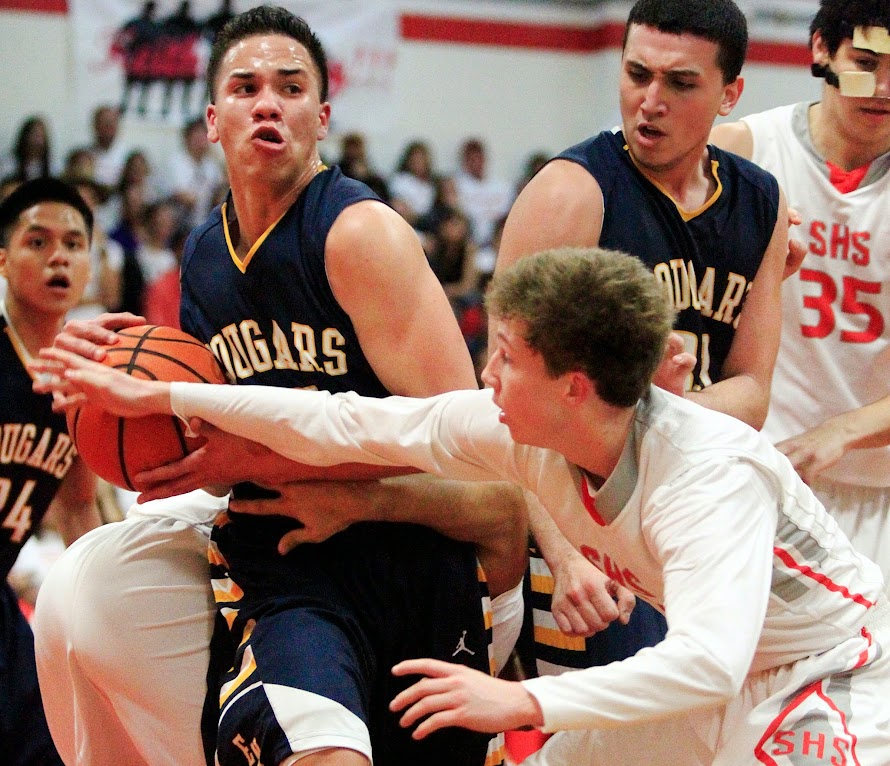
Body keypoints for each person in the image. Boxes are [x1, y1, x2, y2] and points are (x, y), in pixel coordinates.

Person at [37, 245, 890, 766]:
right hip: (724, 678)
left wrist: (521, 702)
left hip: (833, 670)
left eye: (506, 356)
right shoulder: (524, 429)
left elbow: (706, 660)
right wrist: (160, 403)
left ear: (573, 385)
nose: (484, 375)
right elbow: (348, 418)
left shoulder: (705, 476)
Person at [31, 7, 525, 766]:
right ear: (211, 120)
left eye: (291, 88)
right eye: (247, 86)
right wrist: (105, 378)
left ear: (321, 117)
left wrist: (292, 472)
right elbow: (204, 428)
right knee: (81, 597)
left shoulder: (360, 235)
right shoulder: (203, 258)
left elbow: (464, 449)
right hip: (286, 565)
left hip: (411, 560)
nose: (268, 102)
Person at [492, 0, 789, 678]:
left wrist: (653, 413)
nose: (649, 101)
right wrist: (566, 558)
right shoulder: (571, 193)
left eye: (680, 83)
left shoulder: (762, 202)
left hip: (698, 510)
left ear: (730, 94)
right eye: (636, 74)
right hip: (581, 527)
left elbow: (753, 391)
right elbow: (502, 402)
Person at [710, 0, 890, 590]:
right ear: (821, 51)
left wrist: (840, 431)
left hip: (877, 488)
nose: (882, 87)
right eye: (865, 63)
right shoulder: (739, 152)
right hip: (756, 474)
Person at [0, 177, 101, 766]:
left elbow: (79, 507)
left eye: (73, 243)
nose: (58, 255)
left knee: (43, 743)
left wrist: (97, 608)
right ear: (5, 262)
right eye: (37, 242)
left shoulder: (82, 381)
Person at [453, 137, 513, 249]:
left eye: (478, 158)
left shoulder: (502, 187)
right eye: (471, 160)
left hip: (498, 240)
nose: (476, 163)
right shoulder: (458, 185)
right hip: (470, 241)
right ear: (465, 162)